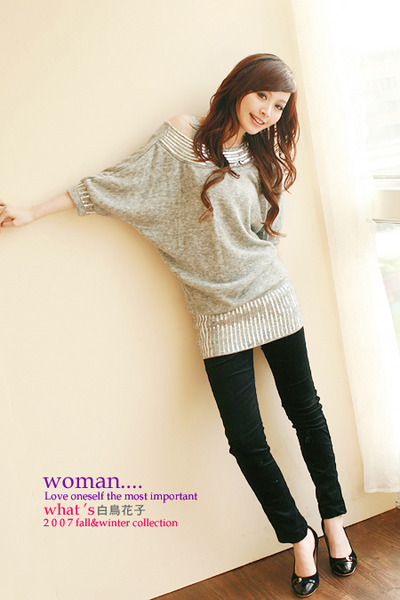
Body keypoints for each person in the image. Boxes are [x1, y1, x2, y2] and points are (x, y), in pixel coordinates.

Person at [0, 53, 357, 597]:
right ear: (240, 87)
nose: (268, 111)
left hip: (272, 297)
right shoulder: (183, 135)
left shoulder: (263, 156)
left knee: (306, 412)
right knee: (245, 440)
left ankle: (334, 521)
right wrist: (32, 212)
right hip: (215, 311)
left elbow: (268, 233)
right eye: (262, 96)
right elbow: (116, 183)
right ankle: (298, 536)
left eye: (279, 106)